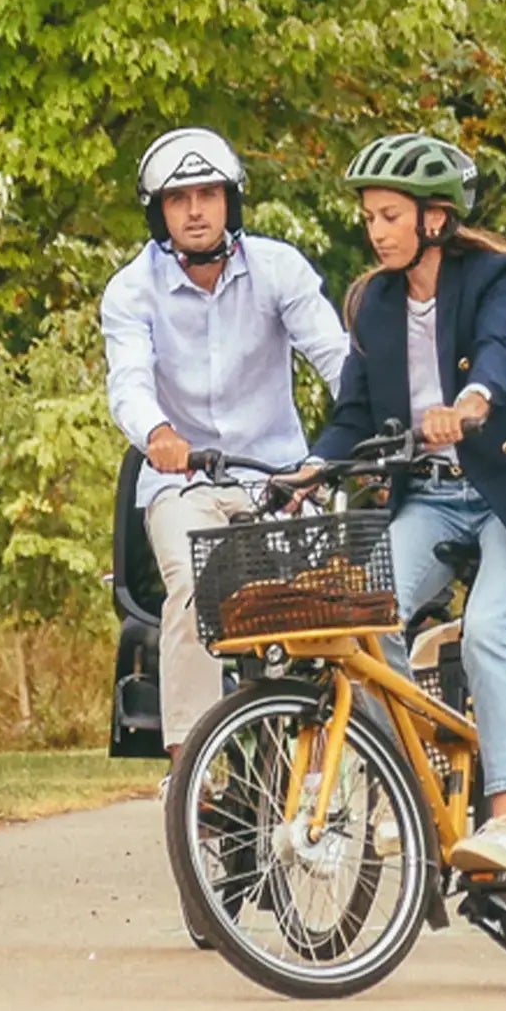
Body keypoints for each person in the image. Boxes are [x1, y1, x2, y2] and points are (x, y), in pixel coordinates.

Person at [298, 132, 506, 894]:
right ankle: (419, 772)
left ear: (434, 220)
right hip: (431, 501)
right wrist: (309, 468)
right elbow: (354, 413)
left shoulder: (491, 276)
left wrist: (470, 403)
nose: (376, 232)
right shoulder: (373, 302)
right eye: (370, 217)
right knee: (366, 622)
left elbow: (502, 351)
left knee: (484, 632)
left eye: (390, 215)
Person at [100, 128, 348, 769]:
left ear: (231, 201)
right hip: (184, 485)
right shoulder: (131, 291)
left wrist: (354, 432)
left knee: (332, 598)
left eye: (208, 193)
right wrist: (158, 435)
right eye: (179, 198)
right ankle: (192, 769)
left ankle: (326, 760)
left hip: (283, 480)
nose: (195, 211)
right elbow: (127, 382)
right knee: (193, 585)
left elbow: (337, 357)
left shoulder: (279, 269)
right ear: (159, 212)